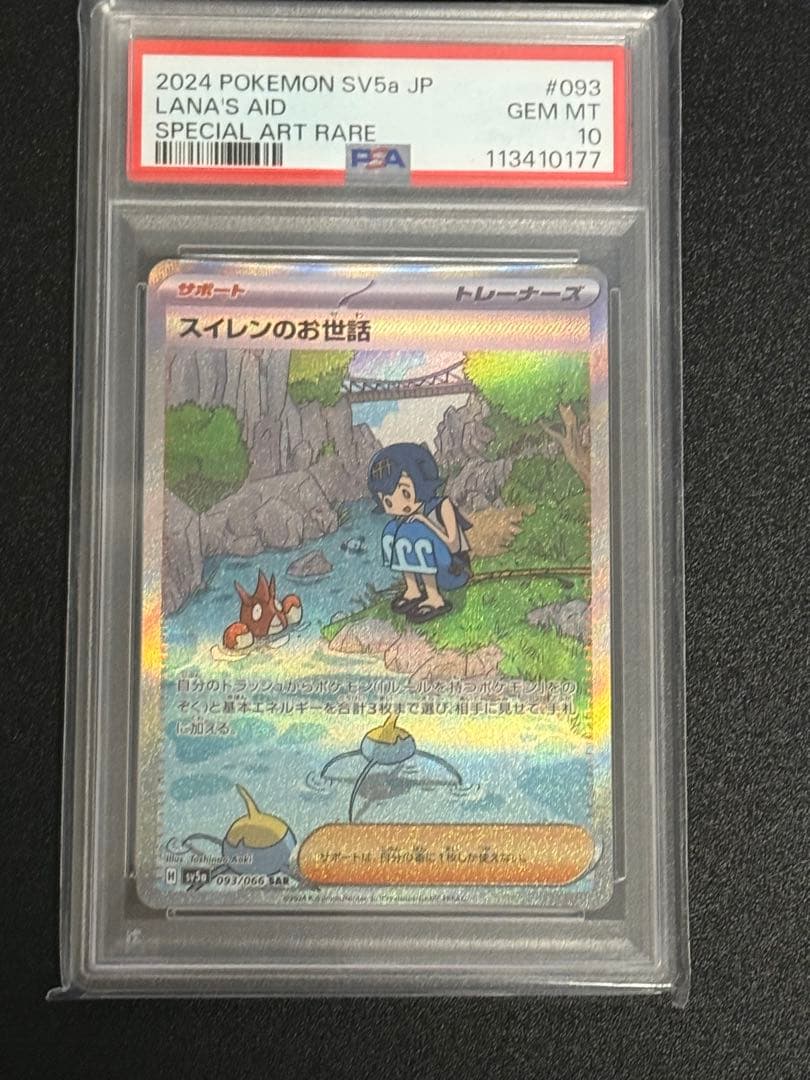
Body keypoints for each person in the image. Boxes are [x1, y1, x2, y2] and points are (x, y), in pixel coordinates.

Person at [367, 442, 471, 623]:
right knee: (392, 530)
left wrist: (425, 522)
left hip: (454, 570)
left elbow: (454, 545)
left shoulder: (442, 506)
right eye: (388, 501)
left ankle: (435, 599)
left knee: (414, 530)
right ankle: (413, 590)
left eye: (405, 493)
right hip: (429, 571)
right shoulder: (402, 521)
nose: (398, 505)